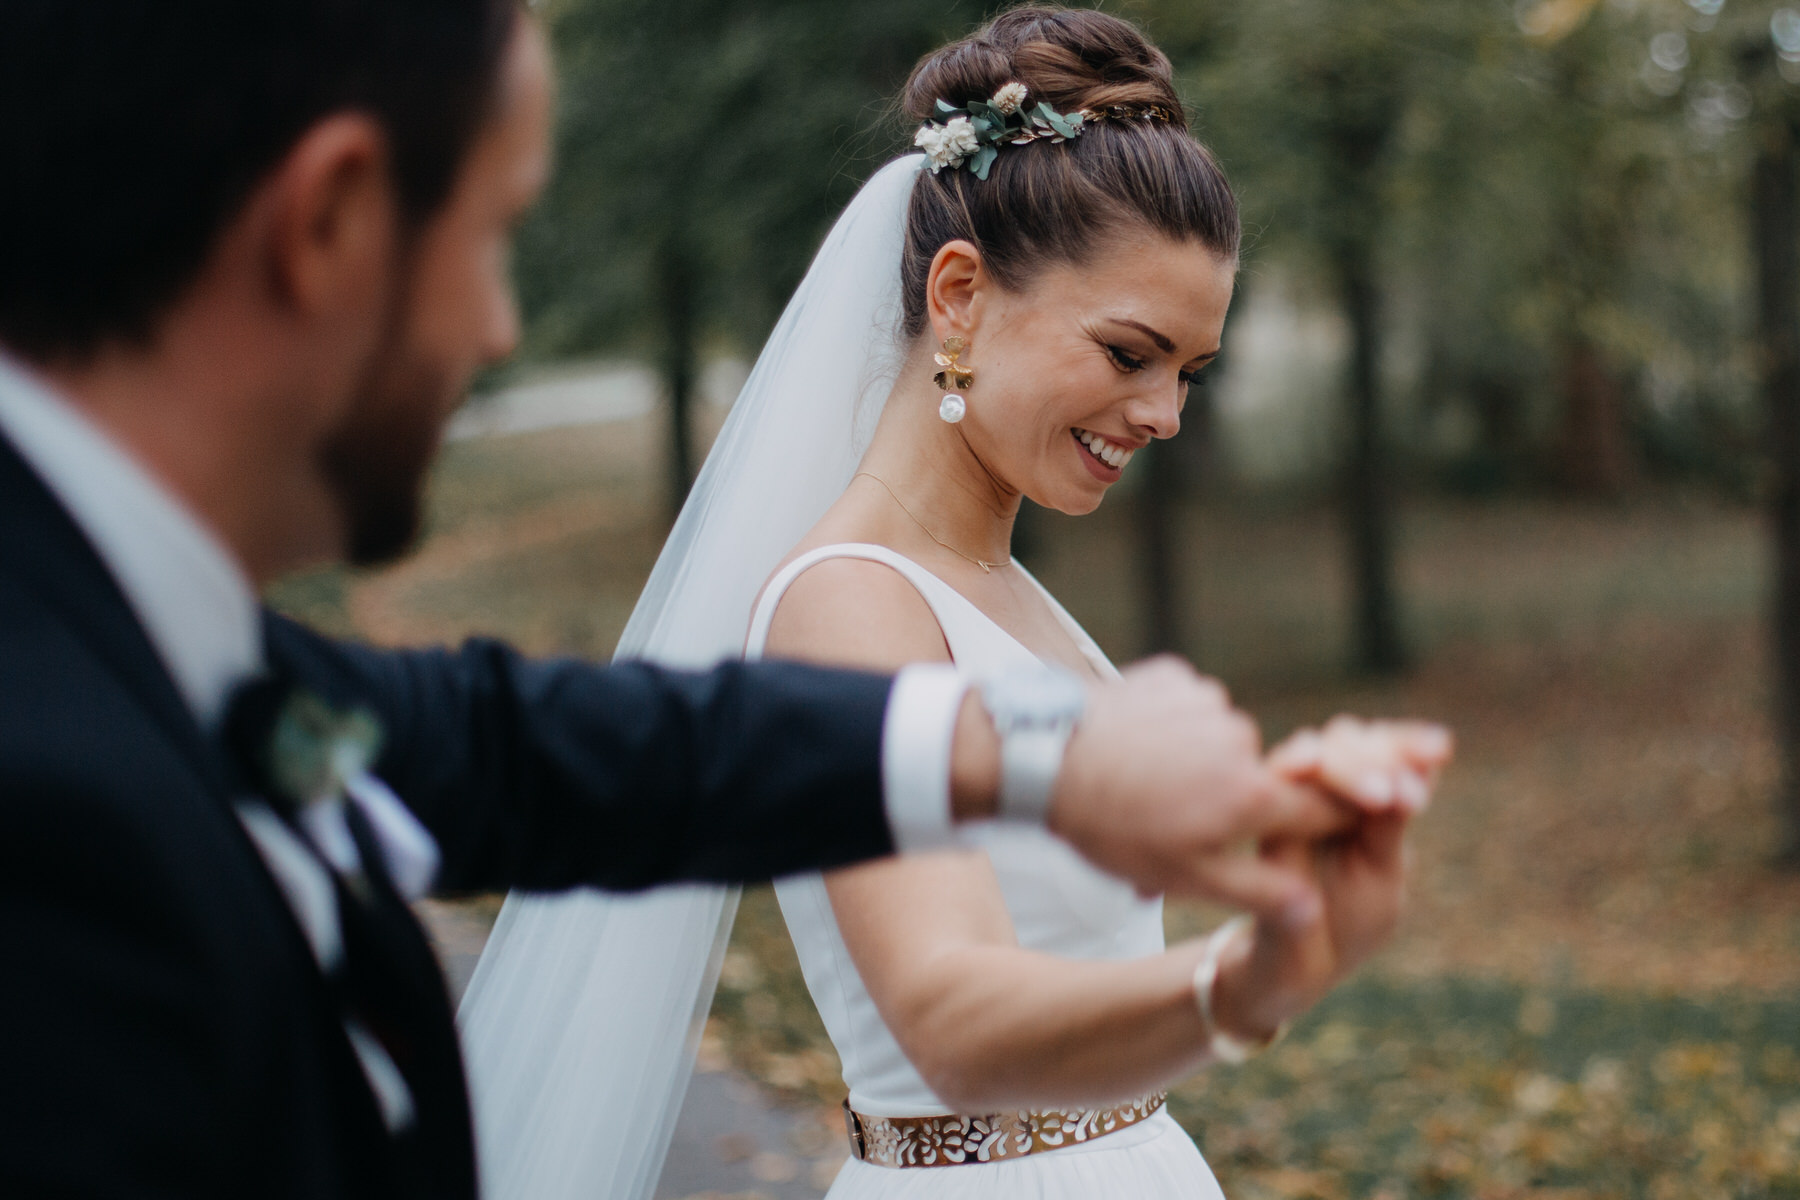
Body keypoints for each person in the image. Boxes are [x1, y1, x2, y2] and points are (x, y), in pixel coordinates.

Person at [0, 3, 1401, 1198]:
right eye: (491, 240)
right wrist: (1236, 987)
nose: (501, 330)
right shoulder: (52, 764)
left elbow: (501, 748)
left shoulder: (220, 679)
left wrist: (1051, 756)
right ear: (328, 221)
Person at [462, 8, 1451, 1200]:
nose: (1165, 415)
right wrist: (1245, 980)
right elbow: (951, 1011)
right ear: (961, 294)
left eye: (1189, 372)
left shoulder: (1006, 594)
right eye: (1131, 352)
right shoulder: (845, 605)